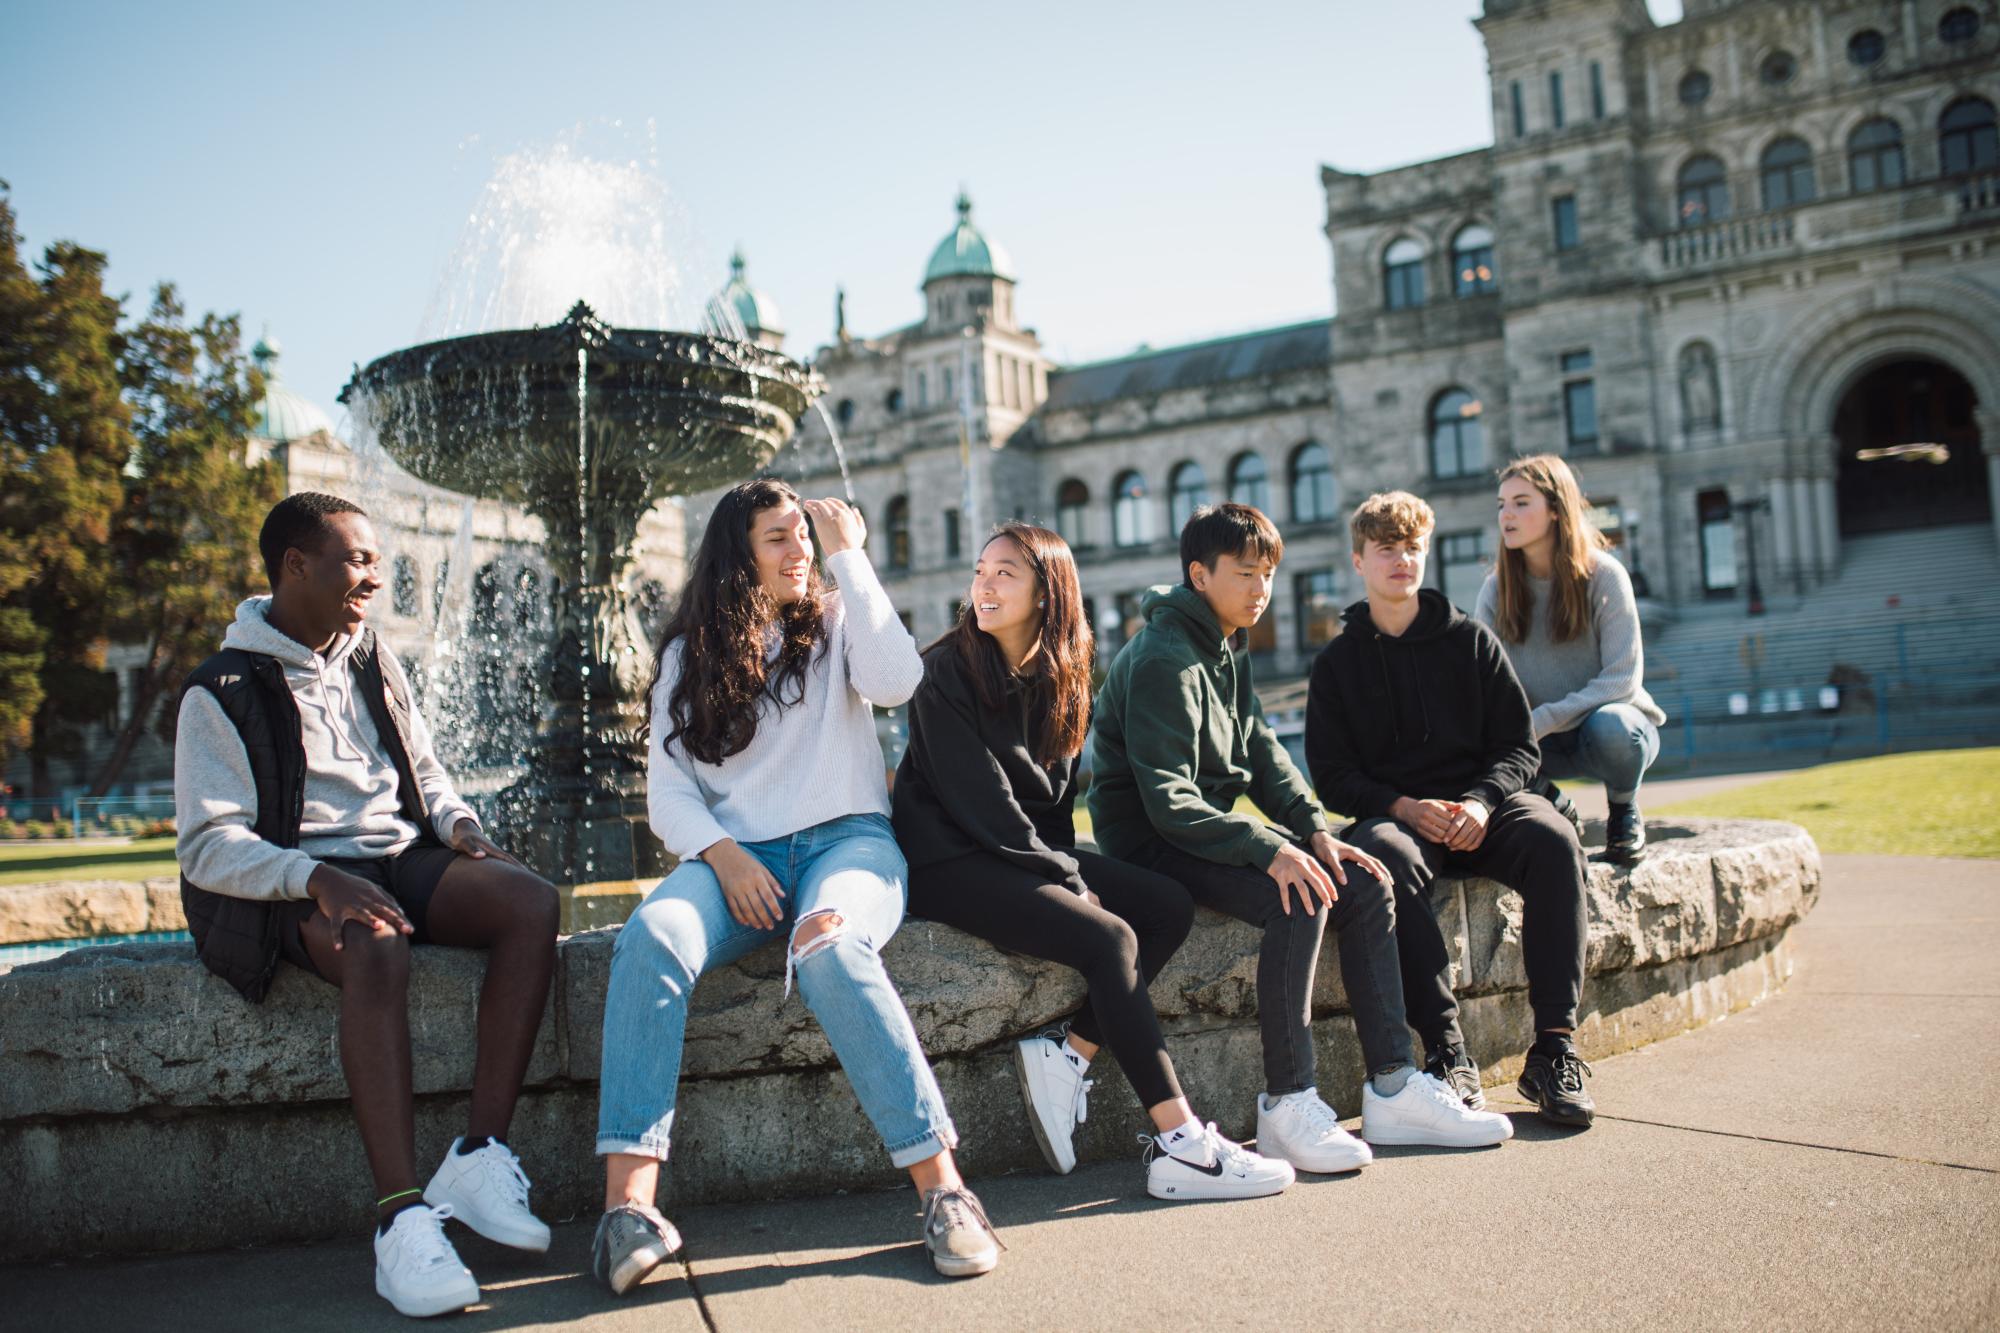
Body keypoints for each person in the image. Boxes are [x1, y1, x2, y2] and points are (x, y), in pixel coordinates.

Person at [593, 479, 999, 1293]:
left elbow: (895, 682)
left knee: (829, 944)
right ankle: (628, 1210)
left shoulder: (840, 616)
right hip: (732, 860)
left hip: (850, 842)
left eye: (803, 535)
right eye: (779, 537)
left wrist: (849, 554)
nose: (799, 549)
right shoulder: (687, 653)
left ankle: (945, 1190)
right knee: (650, 936)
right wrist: (721, 853)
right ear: (737, 556)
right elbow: (668, 789)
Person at [174, 492, 560, 1319]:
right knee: (376, 942)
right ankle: (401, 1219)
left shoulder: (373, 656)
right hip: (295, 874)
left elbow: (426, 767)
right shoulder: (221, 688)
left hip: (397, 852)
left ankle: (480, 1153)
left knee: (529, 901)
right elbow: (208, 846)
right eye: (357, 559)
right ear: (295, 566)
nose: (375, 576)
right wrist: (313, 879)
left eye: (378, 559)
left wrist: (458, 824)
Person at [1088, 503, 1513, 1169]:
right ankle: (1287, 1103)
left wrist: (1313, 831)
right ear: (1200, 575)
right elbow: (1169, 801)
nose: (1262, 589)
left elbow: (1261, 750)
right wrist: (1269, 847)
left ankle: (1394, 1087)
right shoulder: (1165, 658)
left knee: (1365, 879)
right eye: (1246, 574)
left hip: (1202, 824)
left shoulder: (1227, 639)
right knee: (1299, 893)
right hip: (1151, 839)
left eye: (1268, 574)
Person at [894, 523, 1295, 1201]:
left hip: (1017, 850)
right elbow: (984, 807)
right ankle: (1180, 1144)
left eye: (1005, 574)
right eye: (981, 571)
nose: (983, 587)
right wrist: (1072, 884)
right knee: (1110, 935)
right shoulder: (942, 673)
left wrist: (1068, 872)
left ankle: (1069, 1052)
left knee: (1165, 902)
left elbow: (1050, 811)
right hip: (947, 860)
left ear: (1047, 592)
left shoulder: (1066, 672)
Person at [1306, 491, 1596, 1128]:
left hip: (1479, 809)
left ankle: (1555, 1048)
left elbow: (1519, 747)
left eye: (1412, 547)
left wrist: (1481, 802)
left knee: (1552, 840)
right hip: (1399, 817)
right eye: (1387, 549)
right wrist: (1401, 806)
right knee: (1382, 855)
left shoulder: (1471, 641)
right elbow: (1331, 776)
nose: (1402, 560)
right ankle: (1445, 1051)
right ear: (1359, 560)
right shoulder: (1337, 665)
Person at [1476, 454, 1665, 863]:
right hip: (1540, 746)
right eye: (1501, 505)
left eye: (1521, 503)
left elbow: (1622, 681)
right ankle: (1552, 801)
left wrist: (1537, 721)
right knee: (1473, 737)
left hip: (1609, 734)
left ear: (1557, 511)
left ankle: (1623, 810)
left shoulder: (1605, 576)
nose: (1506, 515)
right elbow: (1482, 686)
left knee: (1613, 726)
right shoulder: (1496, 590)